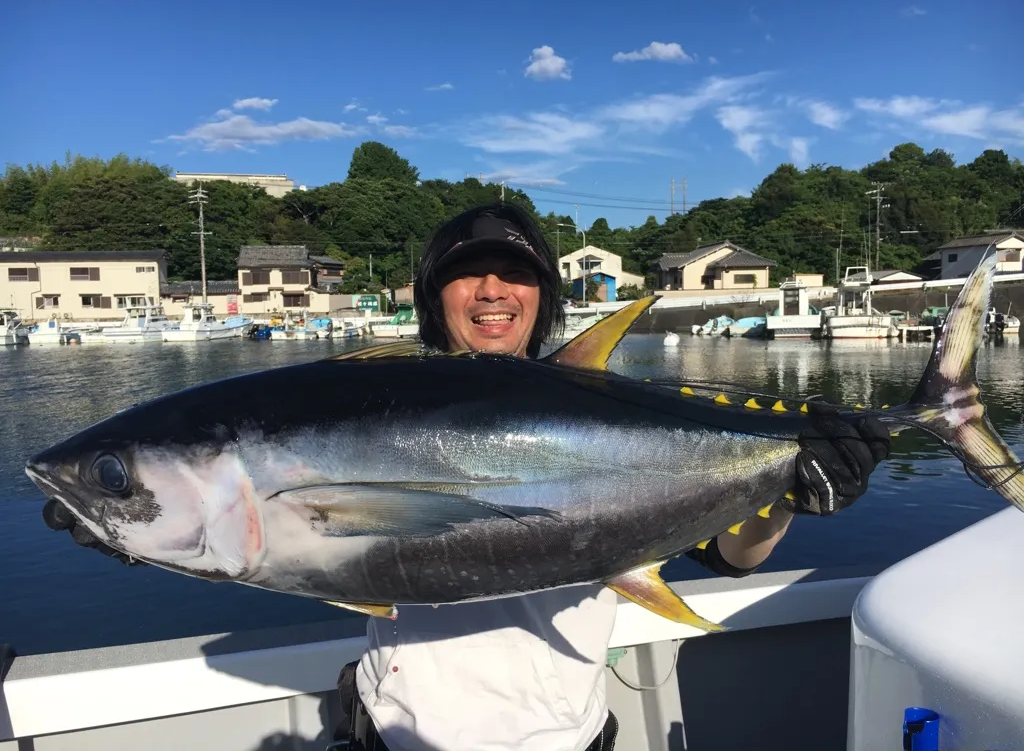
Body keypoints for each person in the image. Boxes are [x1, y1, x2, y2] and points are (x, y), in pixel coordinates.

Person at [41, 202, 890, 751]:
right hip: (396, 736)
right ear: (432, 297)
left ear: (543, 298)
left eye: (515, 274)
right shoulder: (363, 397)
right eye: (465, 275)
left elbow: (731, 559)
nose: (492, 290)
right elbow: (260, 540)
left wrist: (790, 492)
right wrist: (133, 528)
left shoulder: (614, 406)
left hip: (570, 739)